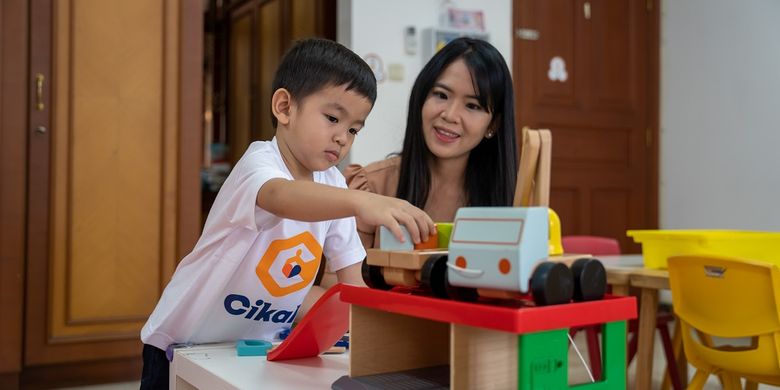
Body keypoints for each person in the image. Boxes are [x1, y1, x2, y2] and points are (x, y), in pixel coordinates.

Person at [139, 38, 435, 389]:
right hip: (181, 341)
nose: (343, 138)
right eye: (332, 118)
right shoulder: (259, 164)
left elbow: (352, 280)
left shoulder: (335, 185)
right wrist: (362, 202)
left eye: (354, 129)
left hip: (253, 347)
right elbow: (281, 196)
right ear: (284, 107)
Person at [345, 37, 517, 249]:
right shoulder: (371, 187)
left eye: (472, 106)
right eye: (441, 95)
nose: (450, 115)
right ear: (421, 98)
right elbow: (337, 280)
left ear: (493, 125)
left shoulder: (514, 197)